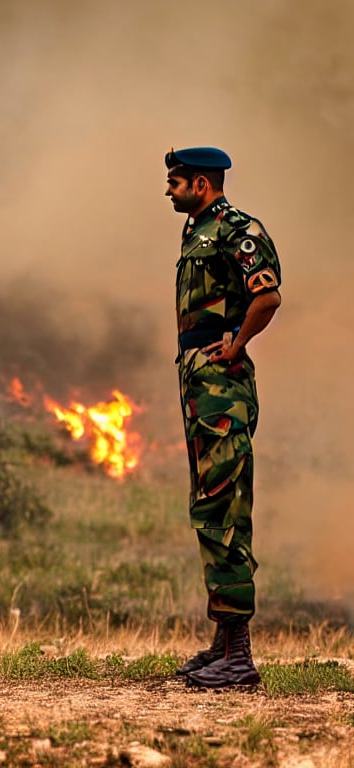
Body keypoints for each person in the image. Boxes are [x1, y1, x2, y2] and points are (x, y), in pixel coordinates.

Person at [165, 146, 281, 687]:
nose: (169, 189)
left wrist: (236, 346)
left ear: (202, 183)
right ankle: (222, 644)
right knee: (209, 507)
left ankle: (240, 658)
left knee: (223, 512)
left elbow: (268, 296)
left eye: (176, 180)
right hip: (200, 386)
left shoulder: (238, 229)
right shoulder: (198, 230)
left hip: (221, 390)